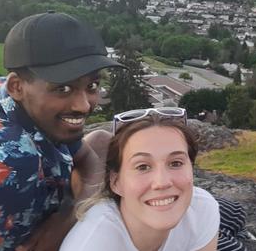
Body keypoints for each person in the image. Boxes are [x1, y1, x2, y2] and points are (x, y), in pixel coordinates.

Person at [0, 11, 123, 250]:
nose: (84, 105)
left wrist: (68, 216)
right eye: (63, 88)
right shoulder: (11, 161)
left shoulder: (5, 92)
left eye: (92, 85)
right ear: (17, 86)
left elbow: (89, 157)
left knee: (103, 140)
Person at [60, 108, 219, 251]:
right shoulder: (92, 244)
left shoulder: (201, 209)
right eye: (143, 167)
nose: (162, 182)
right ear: (116, 182)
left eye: (176, 163)